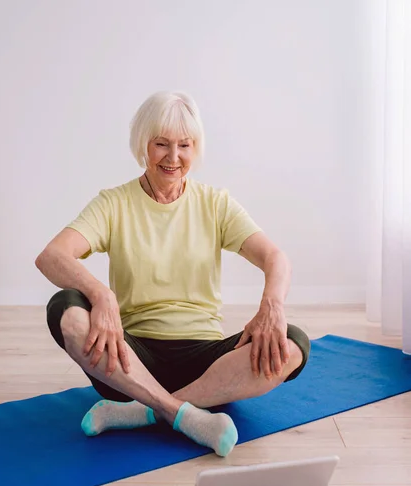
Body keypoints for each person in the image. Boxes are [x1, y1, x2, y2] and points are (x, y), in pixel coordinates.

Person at [35, 90, 310, 457]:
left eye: (185, 145)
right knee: (65, 309)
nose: (173, 157)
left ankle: (144, 411)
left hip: (207, 364)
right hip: (128, 362)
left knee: (292, 343)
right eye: (161, 144)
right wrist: (102, 295)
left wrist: (272, 305)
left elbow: (275, 257)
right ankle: (184, 414)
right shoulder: (114, 203)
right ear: (142, 145)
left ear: (196, 147)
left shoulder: (215, 203)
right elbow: (52, 256)